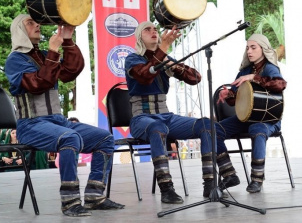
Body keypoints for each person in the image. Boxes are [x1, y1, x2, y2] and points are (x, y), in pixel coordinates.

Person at [4, 14, 124, 216]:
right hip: (30, 125)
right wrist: (53, 51)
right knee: (70, 138)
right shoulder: (15, 60)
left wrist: (67, 39)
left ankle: (95, 195)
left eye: (37, 21)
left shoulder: (43, 55)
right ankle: (70, 201)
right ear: (19, 30)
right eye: (30, 23)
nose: (38, 25)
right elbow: (36, 84)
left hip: (58, 122)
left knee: (104, 138)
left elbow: (71, 70)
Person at [125, 21, 229, 203]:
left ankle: (210, 184)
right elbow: (144, 77)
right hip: (141, 118)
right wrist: (163, 49)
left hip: (167, 117)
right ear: (139, 37)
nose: (153, 32)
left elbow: (195, 78)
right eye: (147, 30)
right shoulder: (132, 59)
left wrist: (173, 66)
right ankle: (166, 189)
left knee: (206, 124)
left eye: (155, 29)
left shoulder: (163, 58)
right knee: (157, 127)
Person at [216, 33, 287, 193]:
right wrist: (229, 94)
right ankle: (229, 174)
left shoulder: (270, 68)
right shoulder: (245, 71)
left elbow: (280, 84)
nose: (249, 51)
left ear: (263, 49)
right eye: (248, 48)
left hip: (269, 121)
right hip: (246, 118)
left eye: (253, 47)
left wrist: (254, 77)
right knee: (212, 130)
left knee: (258, 129)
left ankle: (257, 178)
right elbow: (236, 98)